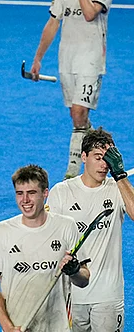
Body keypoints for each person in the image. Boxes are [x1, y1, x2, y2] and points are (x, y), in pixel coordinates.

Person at [29, 0, 115, 179]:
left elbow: (90, 13)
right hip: (66, 59)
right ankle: (97, 147)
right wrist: (38, 58)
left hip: (91, 59)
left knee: (79, 112)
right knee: (77, 117)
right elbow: (53, 22)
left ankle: (72, 171)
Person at [0, 165, 90, 332]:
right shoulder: (2, 232)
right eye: (20, 193)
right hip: (19, 327)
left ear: (45, 193)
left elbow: (84, 279)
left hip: (59, 327)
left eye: (31, 193)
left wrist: (74, 271)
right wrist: (7, 326)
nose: (25, 200)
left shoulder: (66, 226)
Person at [47, 128, 134, 331]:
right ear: (83, 157)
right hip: (71, 295)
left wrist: (121, 175)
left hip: (108, 297)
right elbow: (50, 237)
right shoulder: (62, 192)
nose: (104, 165)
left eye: (109, 158)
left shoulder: (117, 189)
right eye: (98, 157)